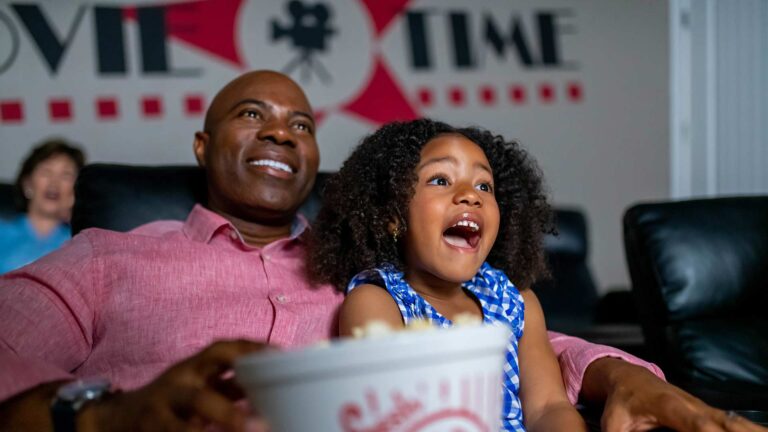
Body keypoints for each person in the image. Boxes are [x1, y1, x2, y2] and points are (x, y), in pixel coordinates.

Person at [0, 71, 761, 432]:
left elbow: (526, 343)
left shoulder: (377, 273)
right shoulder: (105, 257)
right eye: (253, 115)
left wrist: (627, 375)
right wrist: (101, 419)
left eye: (301, 124)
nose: (280, 132)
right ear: (202, 144)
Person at [308, 119, 586, 430]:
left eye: (484, 185)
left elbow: (548, 407)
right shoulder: (376, 303)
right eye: (441, 180)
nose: (470, 195)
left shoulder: (516, 302)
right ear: (392, 216)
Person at [0, 139, 85, 274]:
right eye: (46, 172)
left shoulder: (80, 244)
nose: (54, 183)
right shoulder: (3, 233)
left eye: (65, 175)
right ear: (27, 184)